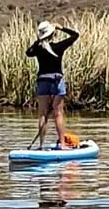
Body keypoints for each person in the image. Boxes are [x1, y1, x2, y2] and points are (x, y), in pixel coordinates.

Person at [26, 20, 79, 149]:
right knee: (58, 113)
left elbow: (28, 52)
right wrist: (61, 28)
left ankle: (41, 145)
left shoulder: (38, 49)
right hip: (56, 81)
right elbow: (75, 35)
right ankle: (62, 144)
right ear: (52, 34)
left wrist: (39, 40)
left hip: (42, 81)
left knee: (43, 114)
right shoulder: (58, 47)